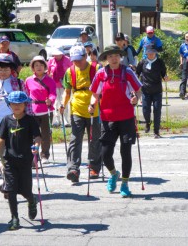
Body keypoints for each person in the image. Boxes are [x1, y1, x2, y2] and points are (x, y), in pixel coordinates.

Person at [89, 44, 141, 197]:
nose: (113, 58)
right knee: (105, 154)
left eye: (116, 55)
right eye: (110, 56)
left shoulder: (128, 72)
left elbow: (138, 90)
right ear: (106, 58)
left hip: (126, 117)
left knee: (125, 152)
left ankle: (124, 183)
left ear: (120, 57)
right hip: (107, 118)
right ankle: (113, 174)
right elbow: (95, 94)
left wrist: (135, 99)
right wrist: (92, 105)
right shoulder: (100, 74)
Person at [0, 91, 41, 231]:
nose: (17, 106)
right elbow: (1, 138)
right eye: (13, 103)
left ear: (25, 104)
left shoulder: (30, 120)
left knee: (25, 191)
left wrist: (36, 147)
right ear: (9, 105)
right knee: (11, 190)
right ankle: (15, 218)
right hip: (10, 160)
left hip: (25, 160)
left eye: (20, 103)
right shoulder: (6, 120)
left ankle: (31, 200)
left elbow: (37, 137)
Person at [60, 44, 101, 182]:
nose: (76, 62)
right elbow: (67, 92)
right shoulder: (70, 71)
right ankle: (73, 169)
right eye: (74, 60)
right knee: (75, 139)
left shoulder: (96, 68)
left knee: (94, 139)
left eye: (79, 59)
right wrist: (62, 105)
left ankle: (94, 167)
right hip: (77, 109)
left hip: (94, 109)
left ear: (86, 56)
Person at [24, 55, 57, 164]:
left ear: (45, 67)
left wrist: (51, 100)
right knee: (34, 134)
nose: (39, 67)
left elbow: (53, 93)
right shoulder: (28, 80)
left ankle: (45, 155)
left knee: (46, 134)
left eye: (41, 65)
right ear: (33, 68)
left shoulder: (50, 80)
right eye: (36, 65)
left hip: (46, 110)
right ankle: (34, 156)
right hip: (33, 111)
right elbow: (26, 94)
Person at [135, 45, 169, 138]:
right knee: (146, 110)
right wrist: (135, 82)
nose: (151, 54)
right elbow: (137, 73)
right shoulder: (142, 62)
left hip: (157, 90)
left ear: (155, 53)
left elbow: (164, 73)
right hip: (145, 90)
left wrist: (165, 77)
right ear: (146, 53)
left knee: (157, 111)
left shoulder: (159, 62)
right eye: (149, 53)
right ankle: (147, 122)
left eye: (152, 53)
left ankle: (156, 131)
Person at [47, 47, 72, 127]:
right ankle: (57, 120)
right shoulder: (51, 60)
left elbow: (72, 71)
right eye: (55, 54)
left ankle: (66, 120)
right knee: (56, 103)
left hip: (65, 85)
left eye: (59, 54)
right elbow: (48, 71)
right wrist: (50, 75)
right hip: (54, 84)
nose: (57, 56)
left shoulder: (67, 59)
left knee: (64, 102)